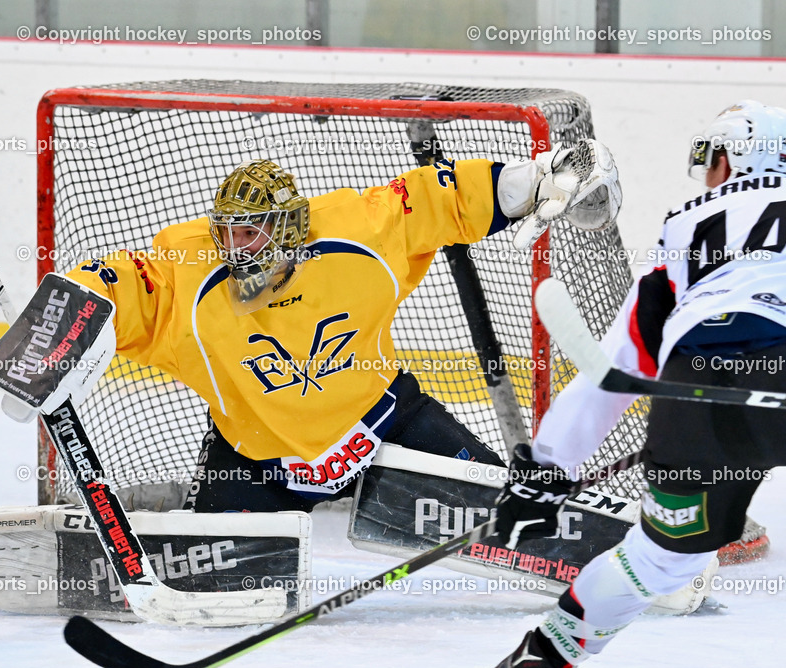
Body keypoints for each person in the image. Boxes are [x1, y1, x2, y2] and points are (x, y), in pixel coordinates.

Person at [63, 146, 619, 514]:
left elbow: (437, 199)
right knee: (205, 570)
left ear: (290, 231)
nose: (238, 249)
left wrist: (531, 179)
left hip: (383, 424)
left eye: (253, 233)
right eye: (228, 233)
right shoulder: (192, 273)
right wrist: (64, 311)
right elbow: (128, 284)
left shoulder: (354, 234)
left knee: (511, 515)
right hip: (258, 453)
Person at [481, 100, 786, 668]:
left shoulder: (686, 224)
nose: (708, 175)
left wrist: (546, 470)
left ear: (739, 155)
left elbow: (615, 369)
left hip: (697, 385)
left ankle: (537, 667)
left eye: (713, 159)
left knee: (664, 559)